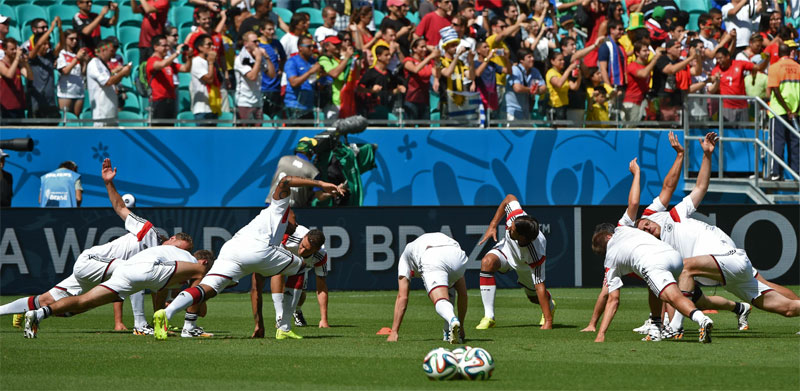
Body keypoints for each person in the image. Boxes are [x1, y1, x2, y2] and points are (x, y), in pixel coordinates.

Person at [5, 158, 195, 333]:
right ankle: (140, 325)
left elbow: (158, 292)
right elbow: (120, 207)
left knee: (51, 301)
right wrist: (108, 182)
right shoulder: (148, 232)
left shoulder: (164, 262)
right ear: (170, 239)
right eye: (178, 248)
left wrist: (158, 322)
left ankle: (31, 312)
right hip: (92, 261)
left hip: (100, 270)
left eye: (182, 252)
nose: (177, 254)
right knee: (138, 272)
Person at [636, 133, 800, 332]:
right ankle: (673, 326)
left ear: (649, 218)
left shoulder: (674, 215)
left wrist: (707, 155)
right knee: (788, 309)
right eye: (644, 231)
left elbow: (701, 187)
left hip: (727, 258)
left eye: (645, 224)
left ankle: (675, 328)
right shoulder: (660, 250)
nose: (648, 228)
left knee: (686, 269)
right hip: (728, 277)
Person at [152, 175, 345, 340]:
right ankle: (285, 327)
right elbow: (285, 180)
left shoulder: (277, 226)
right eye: (293, 218)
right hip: (258, 248)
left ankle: (166, 313)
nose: (295, 224)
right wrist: (320, 184)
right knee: (302, 266)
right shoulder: (279, 207)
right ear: (288, 211)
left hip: (233, 249)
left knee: (207, 288)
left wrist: (258, 322)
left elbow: (257, 285)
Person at [23, 245, 212, 339]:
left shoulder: (174, 268)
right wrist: (202, 292)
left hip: (126, 270)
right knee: (200, 274)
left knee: (83, 301)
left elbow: (159, 291)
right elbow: (200, 305)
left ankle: (38, 313)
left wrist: (158, 321)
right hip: (148, 268)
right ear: (204, 261)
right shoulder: (191, 261)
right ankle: (190, 328)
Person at [475, 193, 554, 330]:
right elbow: (509, 198)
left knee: (534, 298)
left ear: (522, 237)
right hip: (506, 250)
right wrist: (493, 225)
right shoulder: (516, 217)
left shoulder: (536, 252)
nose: (509, 227)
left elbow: (539, 285)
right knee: (487, 262)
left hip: (525, 265)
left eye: (512, 229)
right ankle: (489, 317)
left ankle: (550, 306)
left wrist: (548, 321)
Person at [250, 222, 331, 338]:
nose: (302, 251)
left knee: (301, 295)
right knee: (279, 272)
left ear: (316, 250)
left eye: (307, 250)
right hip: (282, 253)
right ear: (303, 237)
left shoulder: (321, 255)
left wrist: (324, 319)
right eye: (302, 246)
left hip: (301, 269)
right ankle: (280, 318)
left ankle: (296, 310)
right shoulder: (292, 235)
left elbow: (321, 286)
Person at [387, 232, 468, 344]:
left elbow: (402, 297)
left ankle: (452, 319)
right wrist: (462, 327)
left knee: (440, 299)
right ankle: (448, 332)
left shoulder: (405, 258)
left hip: (432, 255)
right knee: (450, 286)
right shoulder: (424, 242)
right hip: (458, 255)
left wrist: (394, 332)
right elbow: (463, 294)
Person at [766, 43, 800, 181]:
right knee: (795, 143)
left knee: (778, 142)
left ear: (779, 53)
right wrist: (795, 110)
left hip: (779, 110)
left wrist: (786, 109)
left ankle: (776, 173)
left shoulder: (774, 67)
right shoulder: (798, 67)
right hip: (796, 111)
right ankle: (796, 173)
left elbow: (774, 90)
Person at [709, 47, 768, 123]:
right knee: (728, 133)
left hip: (742, 106)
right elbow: (712, 89)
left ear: (728, 56)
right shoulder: (716, 71)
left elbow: (759, 68)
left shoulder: (739, 64)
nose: (719, 61)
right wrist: (716, 80)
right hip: (726, 108)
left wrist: (766, 59)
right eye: (717, 59)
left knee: (744, 132)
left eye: (720, 58)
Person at [86, 39, 131, 126]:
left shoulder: (104, 65)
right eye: (111, 51)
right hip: (102, 115)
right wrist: (122, 72)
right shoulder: (94, 63)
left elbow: (112, 81)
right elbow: (107, 82)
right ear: (103, 50)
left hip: (110, 114)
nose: (114, 54)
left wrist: (122, 73)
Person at [147, 36, 190, 122]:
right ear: (155, 47)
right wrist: (176, 53)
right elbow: (161, 65)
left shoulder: (170, 63)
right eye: (164, 46)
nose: (167, 48)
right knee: (159, 130)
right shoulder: (152, 61)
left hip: (171, 100)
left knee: (170, 129)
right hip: (158, 101)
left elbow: (185, 68)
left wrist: (190, 57)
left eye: (167, 46)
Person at [357, 45, 406, 119]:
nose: (389, 57)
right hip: (372, 110)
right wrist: (371, 90)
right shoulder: (370, 73)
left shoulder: (389, 73)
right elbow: (359, 88)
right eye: (386, 55)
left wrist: (398, 90)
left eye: (389, 55)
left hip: (385, 108)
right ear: (378, 56)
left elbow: (389, 91)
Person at [235, 31, 273, 125]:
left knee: (257, 131)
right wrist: (259, 59)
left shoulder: (258, 57)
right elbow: (252, 77)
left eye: (258, 41)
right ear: (246, 43)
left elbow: (272, 75)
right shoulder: (240, 59)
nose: (257, 44)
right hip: (244, 101)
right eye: (254, 41)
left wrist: (267, 58)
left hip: (257, 101)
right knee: (244, 132)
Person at [623, 42, 663, 124]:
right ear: (637, 53)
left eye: (648, 50)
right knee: (630, 128)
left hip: (643, 102)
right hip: (631, 102)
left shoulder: (645, 66)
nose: (648, 53)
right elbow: (643, 74)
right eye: (644, 51)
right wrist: (655, 58)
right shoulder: (632, 66)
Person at [284, 35, 321, 122]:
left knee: (308, 135)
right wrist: (310, 72)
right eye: (309, 46)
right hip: (294, 106)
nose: (312, 48)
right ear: (300, 48)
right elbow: (293, 82)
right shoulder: (292, 62)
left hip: (309, 106)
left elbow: (316, 83)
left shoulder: (313, 62)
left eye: (313, 46)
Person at [318, 35, 354, 120]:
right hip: (332, 102)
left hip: (344, 100)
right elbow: (334, 74)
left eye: (338, 44)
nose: (338, 46)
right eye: (335, 44)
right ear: (327, 47)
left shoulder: (338, 59)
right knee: (333, 130)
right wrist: (347, 57)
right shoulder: (324, 59)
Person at [597, 19, 627, 121]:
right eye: (619, 29)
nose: (622, 32)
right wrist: (609, 87)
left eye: (622, 30)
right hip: (611, 87)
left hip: (620, 87)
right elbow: (603, 68)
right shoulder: (605, 46)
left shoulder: (620, 46)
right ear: (611, 30)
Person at [505, 48, 545, 122]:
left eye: (533, 56)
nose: (532, 59)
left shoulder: (535, 71)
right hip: (513, 111)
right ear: (521, 60)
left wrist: (538, 90)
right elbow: (517, 88)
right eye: (529, 57)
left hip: (526, 111)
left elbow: (543, 87)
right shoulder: (514, 69)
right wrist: (531, 89)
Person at [403, 38, 439, 120]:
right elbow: (415, 70)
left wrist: (437, 59)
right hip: (411, 99)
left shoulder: (428, 63)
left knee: (425, 128)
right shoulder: (409, 60)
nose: (425, 49)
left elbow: (437, 73)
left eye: (425, 47)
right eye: (422, 47)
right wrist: (430, 57)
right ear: (414, 49)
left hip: (424, 100)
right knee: (411, 127)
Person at [190, 34, 222, 125]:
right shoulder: (196, 61)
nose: (212, 47)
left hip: (213, 107)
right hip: (202, 109)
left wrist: (213, 62)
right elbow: (209, 79)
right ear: (200, 47)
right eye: (208, 44)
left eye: (212, 44)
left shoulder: (210, 61)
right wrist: (211, 63)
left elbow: (219, 80)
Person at [56, 30, 89, 117]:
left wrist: (85, 62)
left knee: (76, 120)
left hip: (78, 91)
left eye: (76, 39)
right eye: (71, 39)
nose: (74, 41)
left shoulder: (77, 53)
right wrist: (77, 58)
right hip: (66, 92)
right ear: (65, 39)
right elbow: (65, 71)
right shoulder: (61, 53)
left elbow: (82, 73)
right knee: (66, 119)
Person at [258, 20, 286, 120]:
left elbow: (283, 58)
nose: (272, 32)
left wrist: (280, 70)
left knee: (275, 117)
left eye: (273, 29)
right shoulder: (257, 45)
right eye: (269, 29)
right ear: (261, 30)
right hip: (262, 87)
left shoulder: (276, 44)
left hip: (275, 86)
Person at [0, 38, 32, 123]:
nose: (14, 51)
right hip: (6, 107)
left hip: (19, 105)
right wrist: (17, 58)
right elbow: (9, 75)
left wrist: (25, 63)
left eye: (15, 49)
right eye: (12, 49)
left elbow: (30, 77)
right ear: (4, 49)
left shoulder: (18, 64)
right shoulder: (1, 64)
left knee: (20, 135)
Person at [545, 50, 580, 121]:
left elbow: (574, 87)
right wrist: (569, 69)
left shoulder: (562, 74)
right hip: (555, 106)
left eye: (563, 60)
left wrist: (579, 76)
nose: (563, 62)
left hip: (564, 106)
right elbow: (559, 84)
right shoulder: (551, 73)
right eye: (560, 60)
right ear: (552, 61)